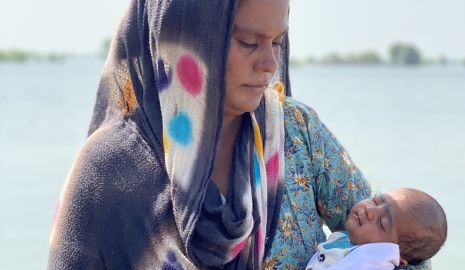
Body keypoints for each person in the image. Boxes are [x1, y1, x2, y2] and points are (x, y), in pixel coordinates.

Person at [48, 0, 428, 269]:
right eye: (249, 42)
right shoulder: (107, 173)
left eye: (278, 42)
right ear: (185, 39)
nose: (269, 64)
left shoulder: (296, 132)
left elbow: (401, 243)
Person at [306, 188, 447, 270]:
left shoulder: (373, 262)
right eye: (376, 200)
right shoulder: (349, 240)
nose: (369, 210)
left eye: (381, 223)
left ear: (396, 255)